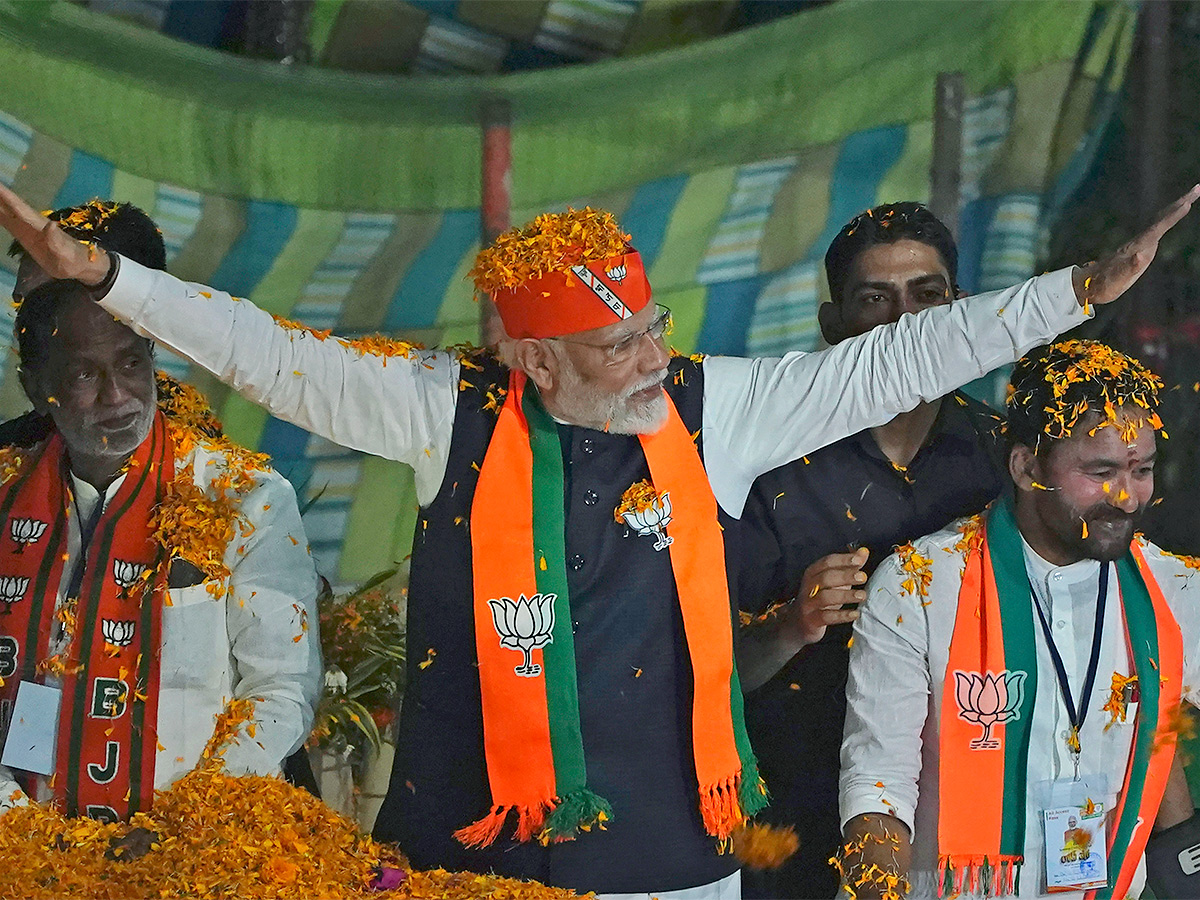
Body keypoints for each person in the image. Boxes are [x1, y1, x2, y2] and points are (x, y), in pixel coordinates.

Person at [0, 182, 1194, 899]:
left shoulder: (710, 406)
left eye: (653, 327)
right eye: (617, 345)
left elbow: (897, 357)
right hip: (466, 856)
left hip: (672, 861)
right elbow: (263, 351)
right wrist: (108, 279)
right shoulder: (439, 406)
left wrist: (1075, 290)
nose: (650, 361)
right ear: (532, 362)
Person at [0, 200, 322, 849]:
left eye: (130, 362)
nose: (116, 397)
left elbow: (281, 688)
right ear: (38, 385)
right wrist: (16, 821)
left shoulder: (240, 494)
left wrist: (184, 826)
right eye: (84, 372)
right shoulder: (11, 488)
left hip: (194, 850)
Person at [839, 339, 1200, 899]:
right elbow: (876, 789)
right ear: (1028, 466)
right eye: (1101, 470)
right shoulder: (920, 585)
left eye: (1142, 469)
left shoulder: (1173, 589)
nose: (1127, 498)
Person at [735, 204, 1007, 899]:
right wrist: (791, 624)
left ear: (960, 310)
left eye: (928, 295)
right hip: (789, 817)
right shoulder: (769, 466)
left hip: (970, 815)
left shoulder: (1007, 459)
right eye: (874, 300)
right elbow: (703, 673)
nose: (906, 322)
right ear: (833, 327)